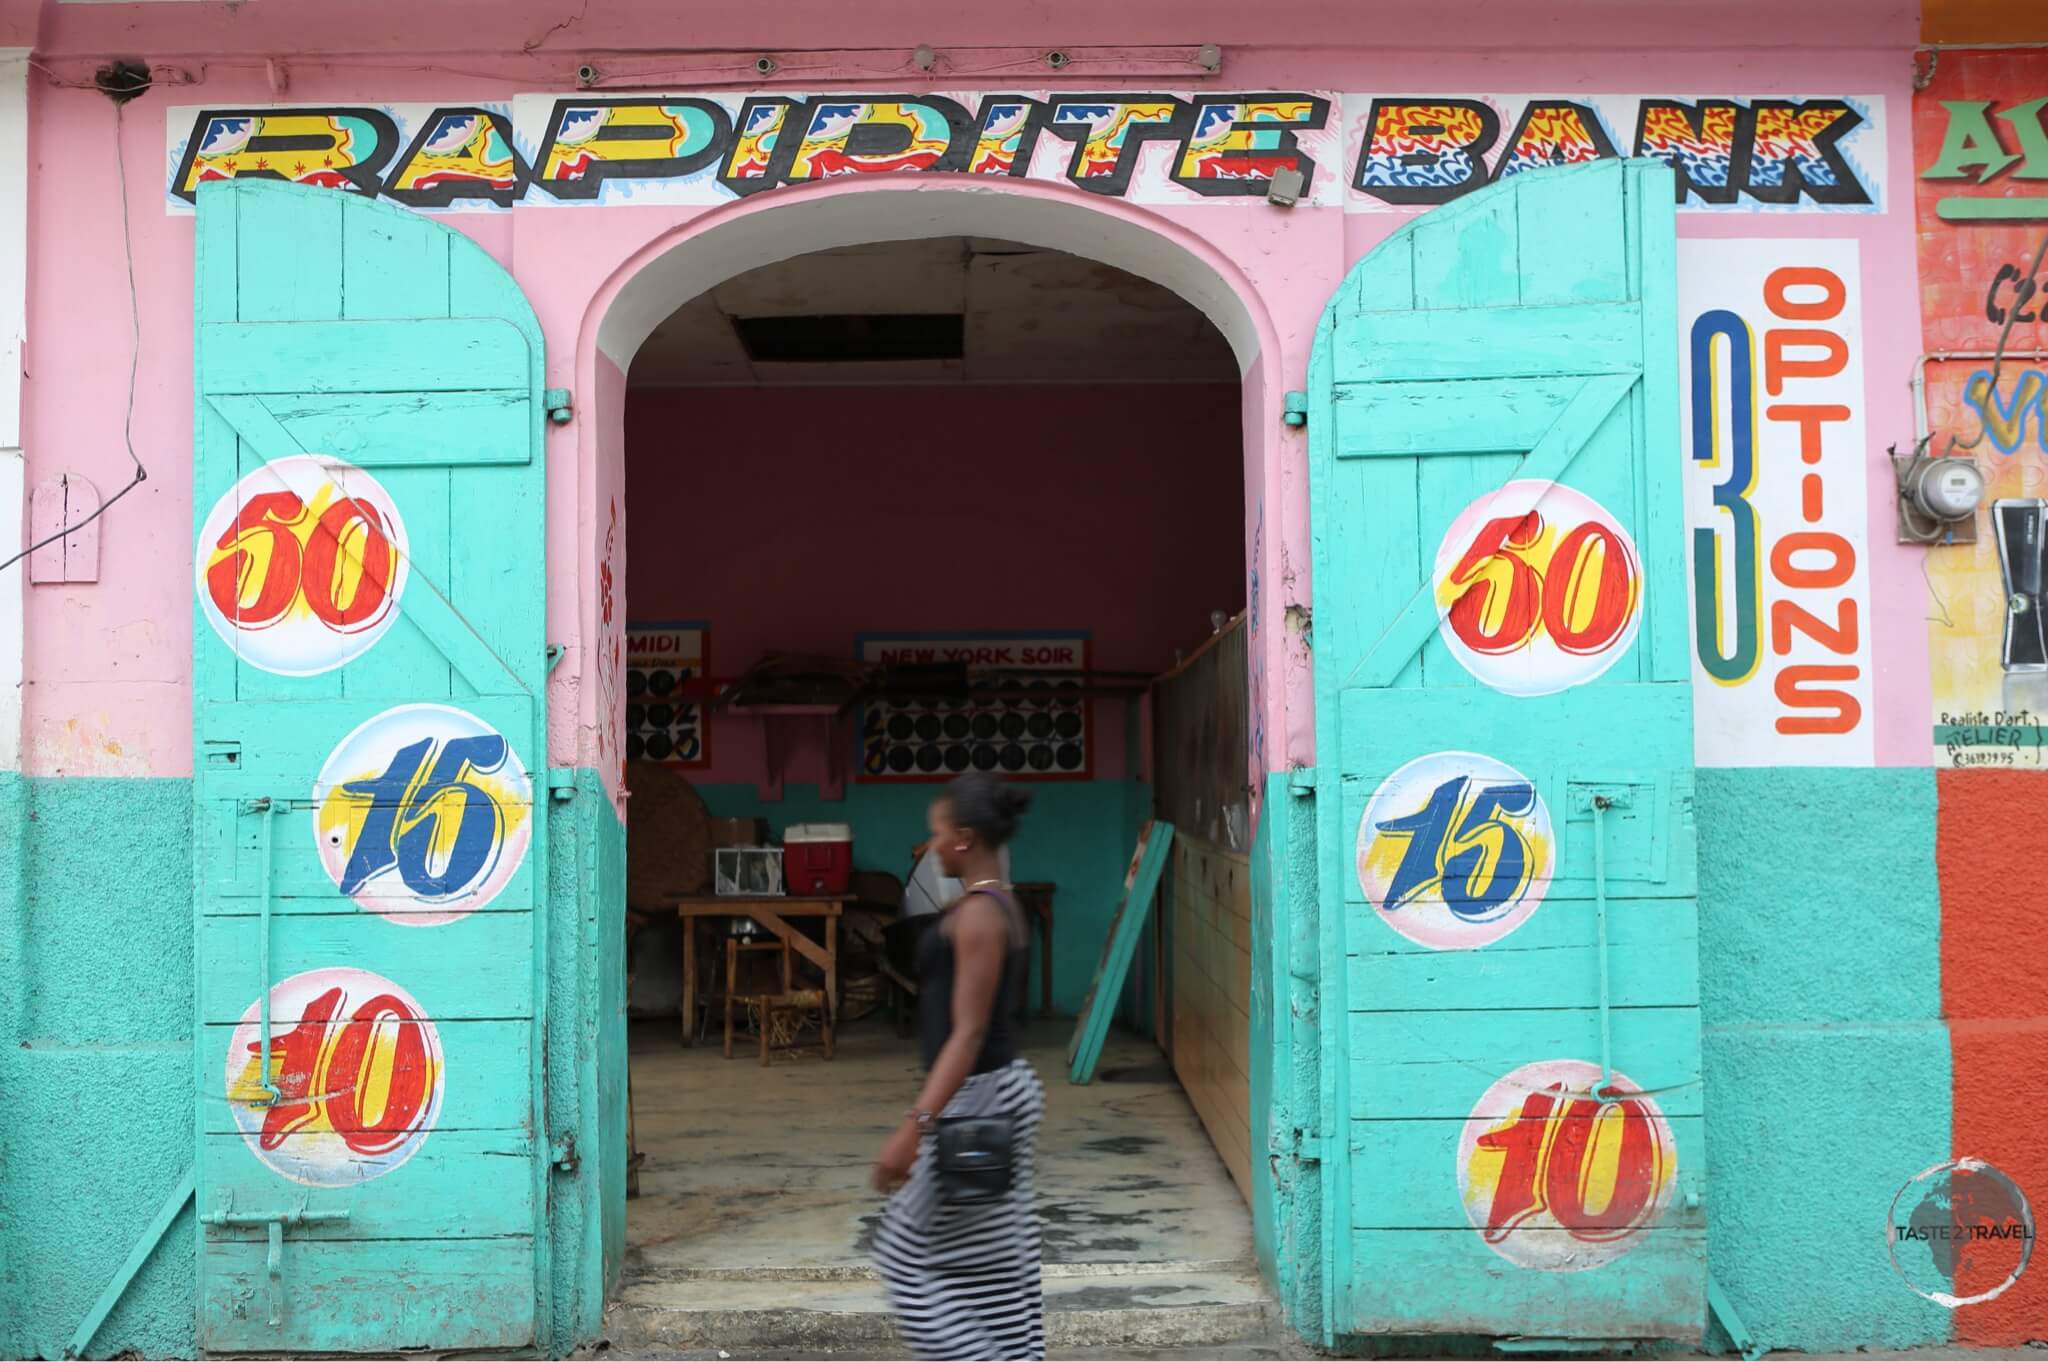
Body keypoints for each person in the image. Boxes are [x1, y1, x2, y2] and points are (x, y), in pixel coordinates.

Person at [870, 772, 1045, 1361]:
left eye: (938, 834)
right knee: (999, 1272)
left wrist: (913, 1129)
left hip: (977, 1102)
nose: (931, 846)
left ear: (965, 838)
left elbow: (968, 1033)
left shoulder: (977, 916)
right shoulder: (997, 903)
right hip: (997, 1095)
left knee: (901, 1254)